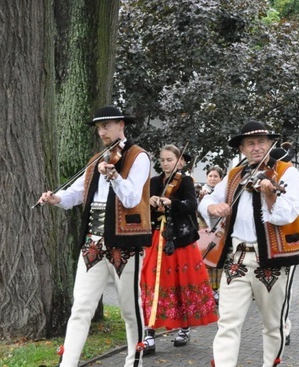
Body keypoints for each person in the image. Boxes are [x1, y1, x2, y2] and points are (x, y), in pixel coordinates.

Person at [37, 106, 151, 367]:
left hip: (124, 243)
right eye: (99, 127)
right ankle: (68, 363)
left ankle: (134, 361)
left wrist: (113, 176)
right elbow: (78, 193)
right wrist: (57, 198)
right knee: (81, 307)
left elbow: (132, 197)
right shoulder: (96, 159)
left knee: (129, 309)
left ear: (121, 125)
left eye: (107, 126)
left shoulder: (138, 156)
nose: (102, 132)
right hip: (93, 242)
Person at [198, 120, 299, 367]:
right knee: (227, 322)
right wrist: (212, 206)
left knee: (272, 323)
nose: (257, 148)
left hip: (270, 260)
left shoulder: (287, 172)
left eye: (262, 142)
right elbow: (207, 198)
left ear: (270, 144)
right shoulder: (235, 174)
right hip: (236, 259)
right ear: (242, 149)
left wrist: (270, 195)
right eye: (250, 144)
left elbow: (287, 214)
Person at [140, 144, 218, 355]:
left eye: (170, 160)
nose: (166, 163)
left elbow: (191, 205)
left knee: (181, 282)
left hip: (180, 240)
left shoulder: (186, 181)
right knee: (152, 282)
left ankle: (184, 327)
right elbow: (142, 204)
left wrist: (170, 202)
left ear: (179, 161)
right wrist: (151, 200)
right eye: (163, 160)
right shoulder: (154, 182)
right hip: (157, 238)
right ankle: (149, 333)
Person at [269, 141, 299, 347]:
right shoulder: (265, 178)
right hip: (266, 242)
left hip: (288, 240)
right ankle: (272, 327)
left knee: (285, 288)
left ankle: (284, 326)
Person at [197, 165, 225, 303]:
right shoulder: (200, 191)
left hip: (220, 231)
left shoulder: (223, 193)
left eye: (216, 176)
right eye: (210, 176)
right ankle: (205, 290)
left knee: (217, 260)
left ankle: (216, 290)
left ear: (221, 178)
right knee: (204, 260)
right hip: (204, 232)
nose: (212, 179)